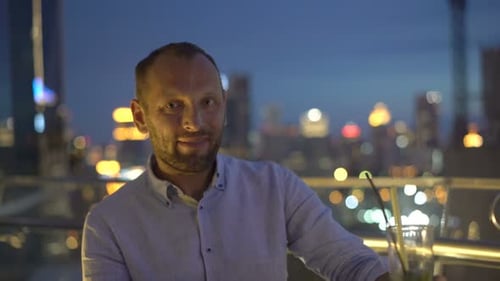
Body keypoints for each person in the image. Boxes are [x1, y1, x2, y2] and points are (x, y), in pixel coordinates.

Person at [81, 41, 391, 281]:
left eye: (208, 102)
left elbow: (349, 262)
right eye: (174, 105)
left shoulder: (275, 187)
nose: (194, 121)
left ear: (225, 106)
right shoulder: (108, 224)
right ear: (140, 117)